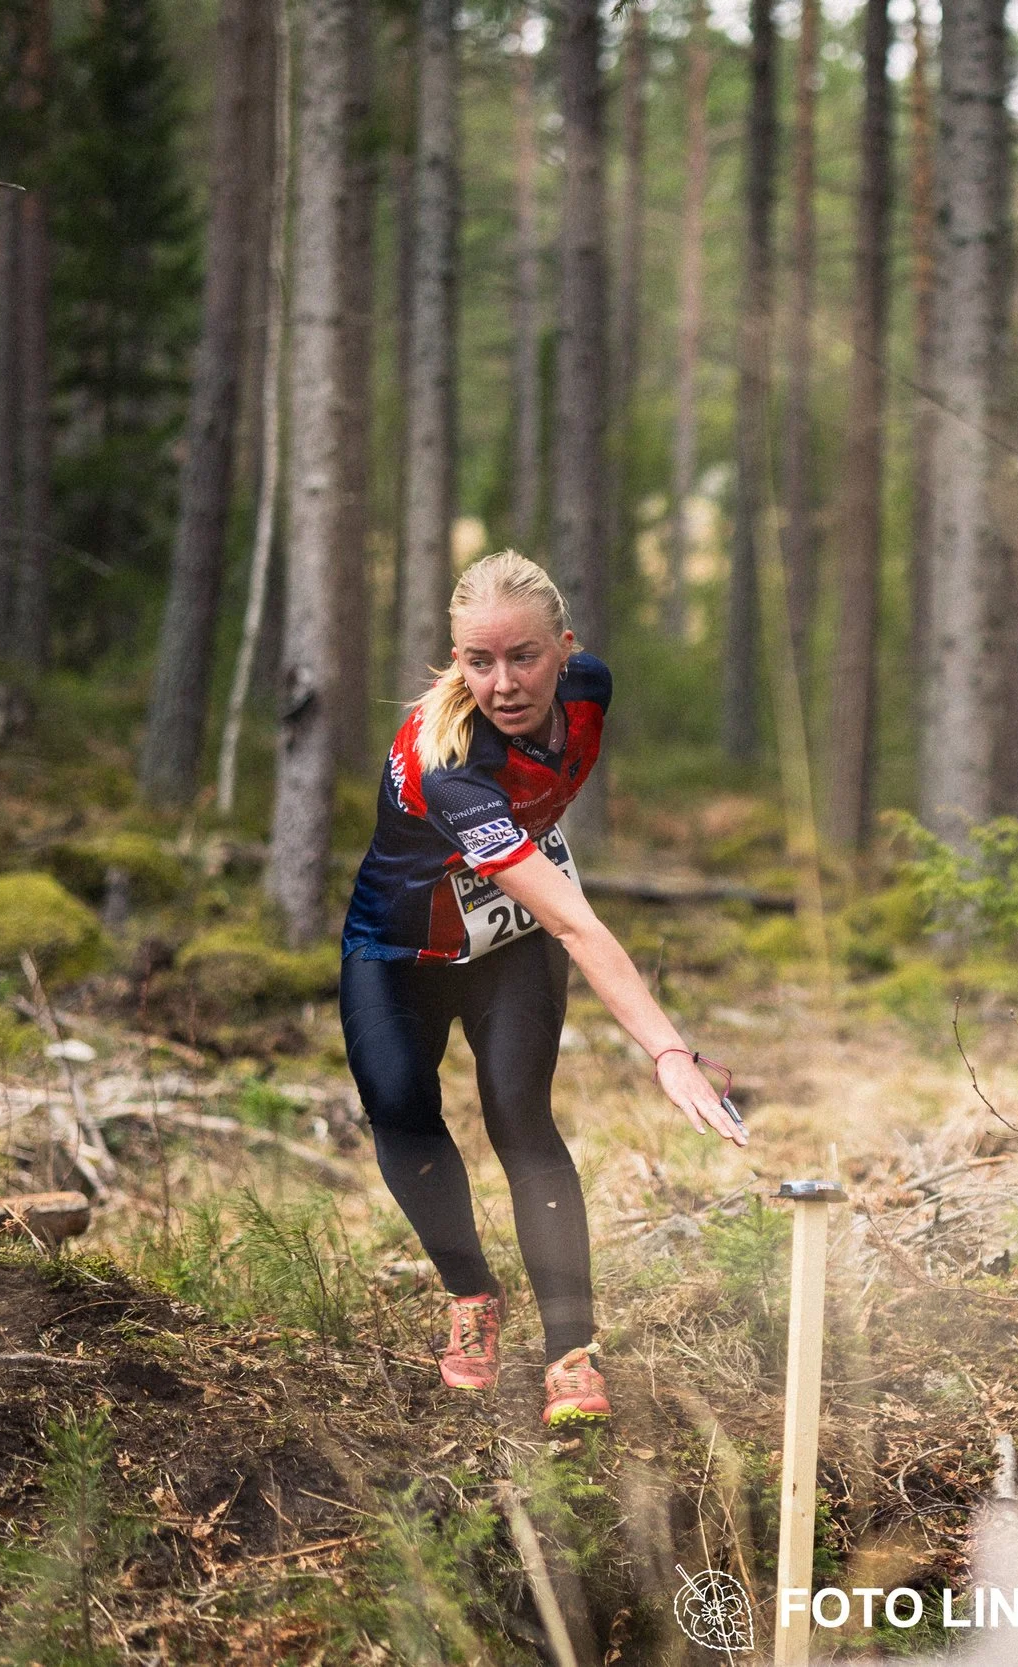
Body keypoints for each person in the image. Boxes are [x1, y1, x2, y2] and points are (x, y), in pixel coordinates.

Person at [340, 551, 746, 1417]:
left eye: (523, 656)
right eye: (477, 661)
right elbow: (578, 922)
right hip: (399, 948)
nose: (503, 684)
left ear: (566, 648)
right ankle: (471, 1293)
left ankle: (570, 1349)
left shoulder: (590, 688)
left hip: (513, 937)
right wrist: (668, 1051)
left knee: (520, 1113)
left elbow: (559, 918)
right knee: (399, 1104)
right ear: (455, 659)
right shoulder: (452, 766)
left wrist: (669, 1051)